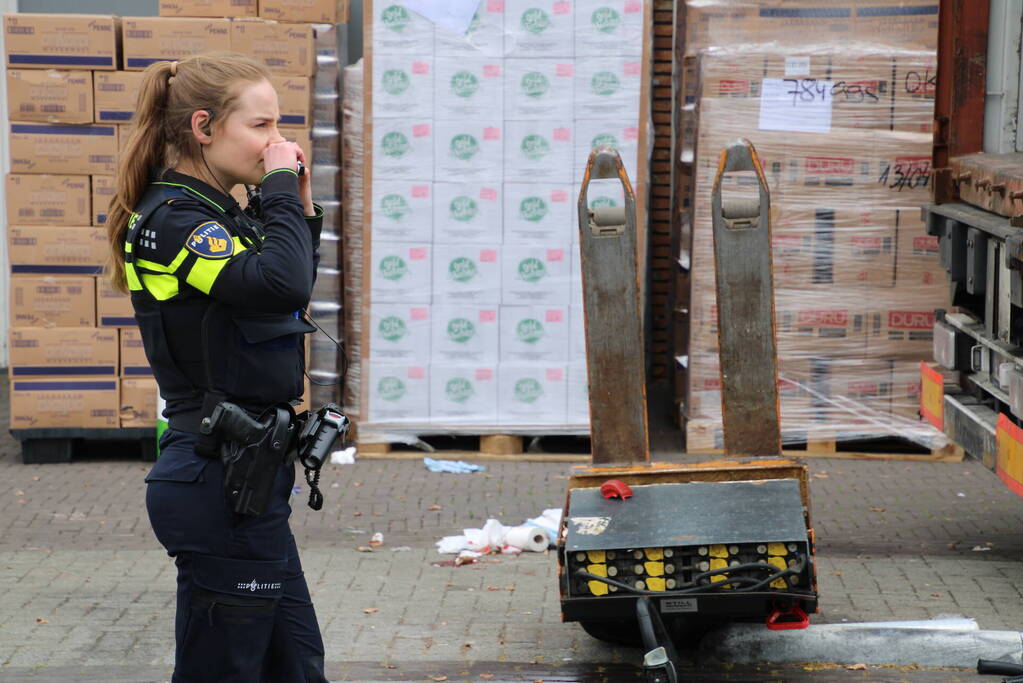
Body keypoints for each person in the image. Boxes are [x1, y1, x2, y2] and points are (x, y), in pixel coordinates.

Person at [106, 52, 329, 682]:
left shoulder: (217, 213)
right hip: (217, 481)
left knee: (296, 666)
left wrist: (299, 205)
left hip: (251, 482)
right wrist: (280, 191)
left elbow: (284, 282)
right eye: (261, 126)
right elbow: (281, 284)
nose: (277, 144)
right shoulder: (175, 220)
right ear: (204, 127)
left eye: (278, 126)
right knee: (224, 672)